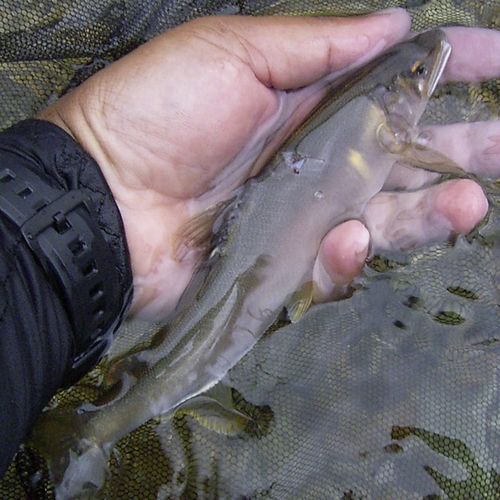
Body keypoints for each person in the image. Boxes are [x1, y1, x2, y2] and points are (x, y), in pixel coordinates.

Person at [0, 8, 498, 477]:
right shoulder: (392, 131)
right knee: (229, 327)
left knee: (230, 322)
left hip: (63, 228)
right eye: (417, 73)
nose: (426, 73)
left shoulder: (381, 120)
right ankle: (97, 430)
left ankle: (100, 425)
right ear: (392, 100)